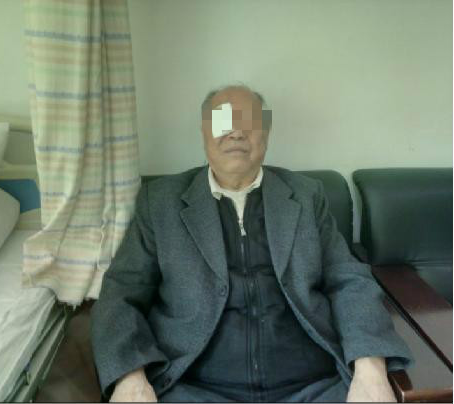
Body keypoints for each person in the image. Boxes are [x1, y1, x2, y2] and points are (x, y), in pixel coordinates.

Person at [91, 84, 413, 402]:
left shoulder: (306, 195)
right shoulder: (160, 202)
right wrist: (130, 376)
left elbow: (349, 281)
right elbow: (121, 293)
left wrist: (370, 368)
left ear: (266, 133)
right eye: (223, 121)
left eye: (249, 121)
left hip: (313, 384)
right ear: (204, 132)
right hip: (194, 387)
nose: (236, 132)